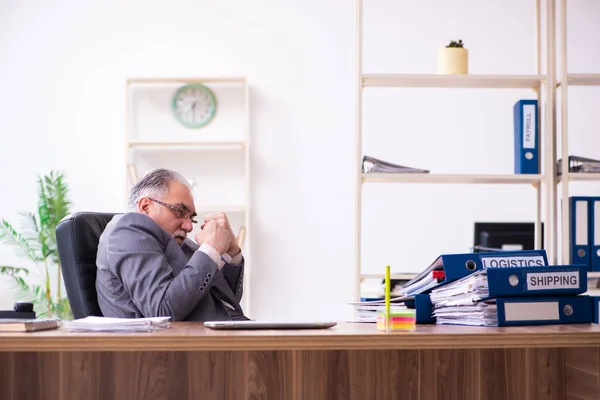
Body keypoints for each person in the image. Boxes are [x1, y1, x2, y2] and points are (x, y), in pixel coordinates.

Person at [95, 168, 248, 321]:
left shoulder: (176, 243)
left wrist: (232, 252)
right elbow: (162, 311)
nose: (189, 226)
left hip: (225, 335)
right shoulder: (128, 230)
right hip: (183, 342)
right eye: (180, 212)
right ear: (145, 206)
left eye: (191, 218)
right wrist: (210, 250)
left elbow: (225, 302)